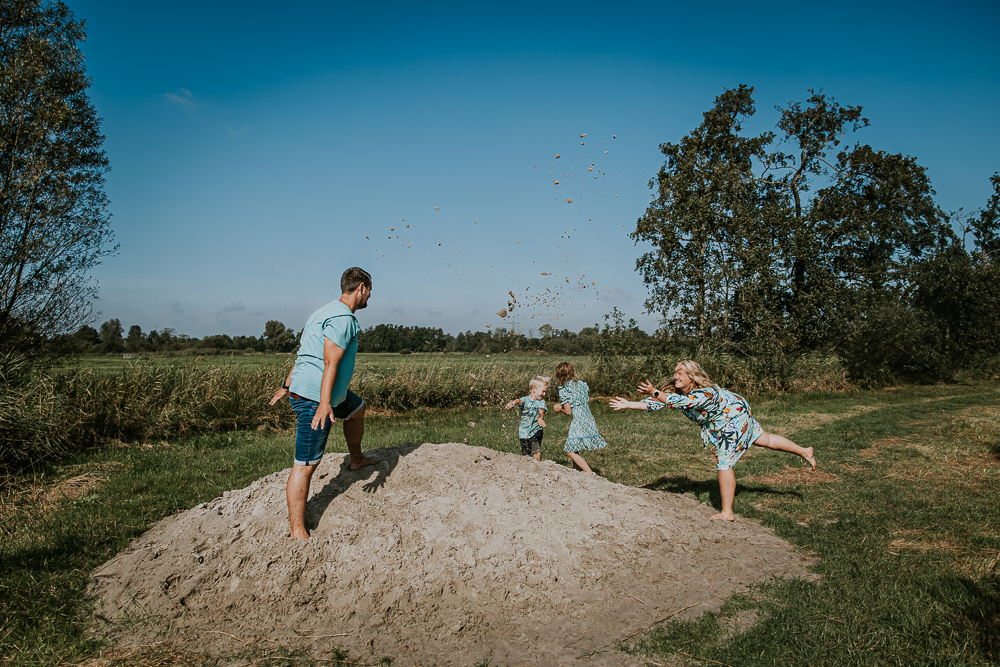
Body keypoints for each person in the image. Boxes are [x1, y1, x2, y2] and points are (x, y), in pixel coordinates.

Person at [610, 359, 816, 522]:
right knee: (764, 439)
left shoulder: (704, 393)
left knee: (724, 461)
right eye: (675, 373)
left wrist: (656, 391)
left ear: (692, 376)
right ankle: (805, 451)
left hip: (733, 417)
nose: (676, 377)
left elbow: (678, 402)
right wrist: (630, 404)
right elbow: (657, 402)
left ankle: (727, 512)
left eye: (680, 373)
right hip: (735, 409)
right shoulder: (679, 390)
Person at [270, 267, 377, 539]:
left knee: (357, 410)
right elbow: (330, 360)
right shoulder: (343, 319)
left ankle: (356, 460)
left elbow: (306, 355)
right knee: (305, 464)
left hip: (323, 392)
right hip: (315, 397)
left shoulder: (322, 312)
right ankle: (297, 530)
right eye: (370, 292)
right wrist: (324, 403)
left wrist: (285, 386)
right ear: (361, 288)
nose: (369, 298)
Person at [551, 361, 606, 474]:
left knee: (570, 451)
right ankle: (575, 472)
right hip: (589, 418)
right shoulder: (582, 385)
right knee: (575, 446)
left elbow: (568, 412)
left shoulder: (563, 389)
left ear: (559, 376)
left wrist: (559, 409)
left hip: (579, 420)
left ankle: (590, 474)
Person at [505, 376, 549, 462]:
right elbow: (519, 401)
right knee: (526, 455)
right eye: (543, 391)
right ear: (534, 389)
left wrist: (540, 418)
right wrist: (514, 402)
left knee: (537, 452)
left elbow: (541, 410)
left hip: (536, 431)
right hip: (523, 433)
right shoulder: (525, 400)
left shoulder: (541, 402)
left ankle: (538, 467)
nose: (544, 394)